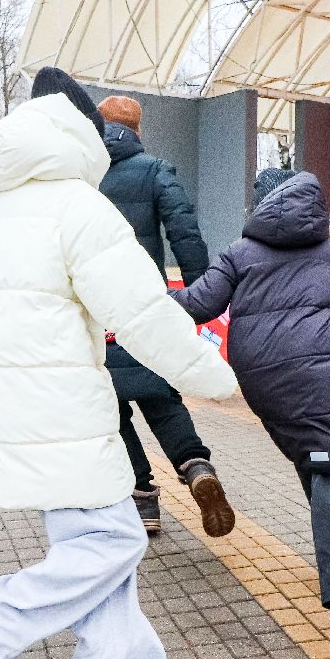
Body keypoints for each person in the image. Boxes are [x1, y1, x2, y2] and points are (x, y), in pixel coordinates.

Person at [0, 80, 238, 659]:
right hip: (65, 418)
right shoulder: (77, 209)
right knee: (114, 543)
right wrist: (211, 374)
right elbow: (141, 310)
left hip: (15, 422)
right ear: (82, 142)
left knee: (100, 557)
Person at [170, 168, 330, 659]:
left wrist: (132, 306)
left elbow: (198, 304)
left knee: (318, 465)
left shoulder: (240, 252)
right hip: (323, 374)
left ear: (259, 207)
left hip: (262, 379)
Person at [92, 91, 228, 539]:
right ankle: (195, 466)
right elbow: (185, 233)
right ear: (138, 129)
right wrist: (198, 297)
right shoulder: (153, 171)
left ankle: (144, 500)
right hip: (145, 306)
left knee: (111, 408)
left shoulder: (80, 176)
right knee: (162, 396)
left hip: (94, 313)